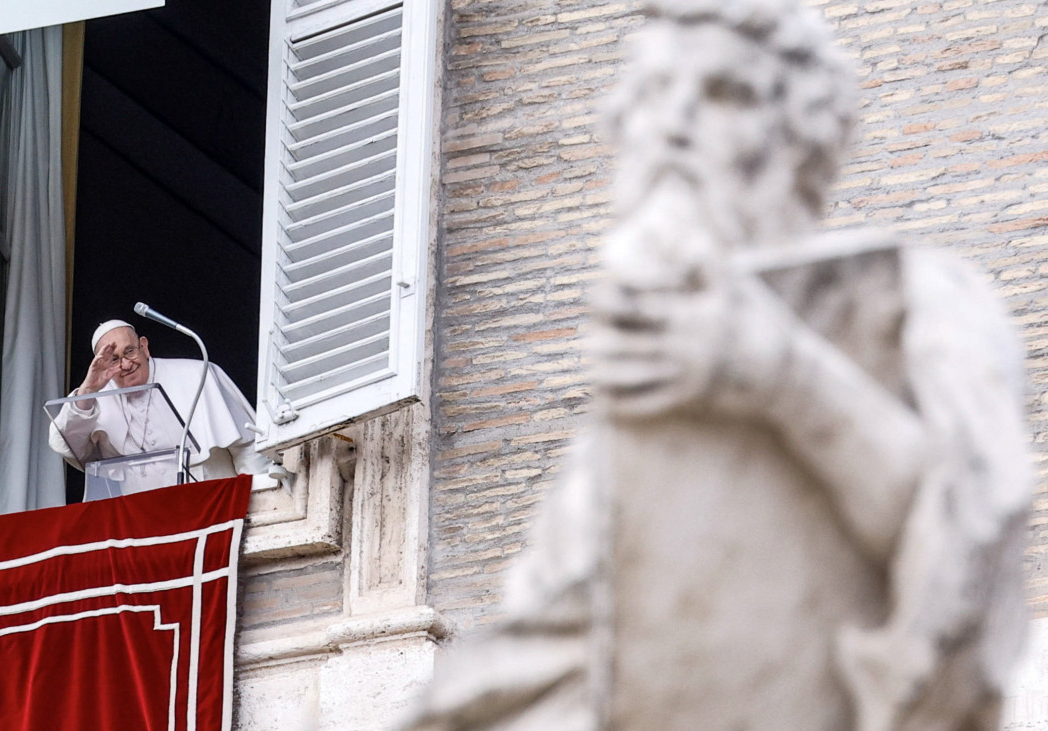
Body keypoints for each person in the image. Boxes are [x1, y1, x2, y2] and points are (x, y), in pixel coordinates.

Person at [402, 0, 1029, 729]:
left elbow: (969, 528)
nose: (675, 126)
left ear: (802, 132)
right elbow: (534, 671)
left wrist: (784, 377)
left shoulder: (920, 300)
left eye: (723, 94)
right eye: (654, 95)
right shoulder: (614, 444)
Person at [48, 319, 278, 493]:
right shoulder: (91, 399)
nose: (126, 364)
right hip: (145, 524)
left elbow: (247, 447)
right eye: (114, 359)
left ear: (144, 347)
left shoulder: (198, 375)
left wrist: (258, 499)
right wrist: (88, 390)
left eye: (130, 351)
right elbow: (67, 445)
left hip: (213, 506)